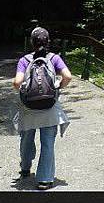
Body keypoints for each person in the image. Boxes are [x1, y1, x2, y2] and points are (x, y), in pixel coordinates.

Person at [12, 27, 72, 190]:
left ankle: (25, 168)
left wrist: (26, 91)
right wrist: (58, 87)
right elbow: (67, 76)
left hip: (29, 109)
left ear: (31, 42)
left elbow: (17, 83)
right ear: (48, 42)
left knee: (26, 140)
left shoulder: (24, 60)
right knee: (47, 143)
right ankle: (45, 179)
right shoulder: (54, 58)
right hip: (49, 109)